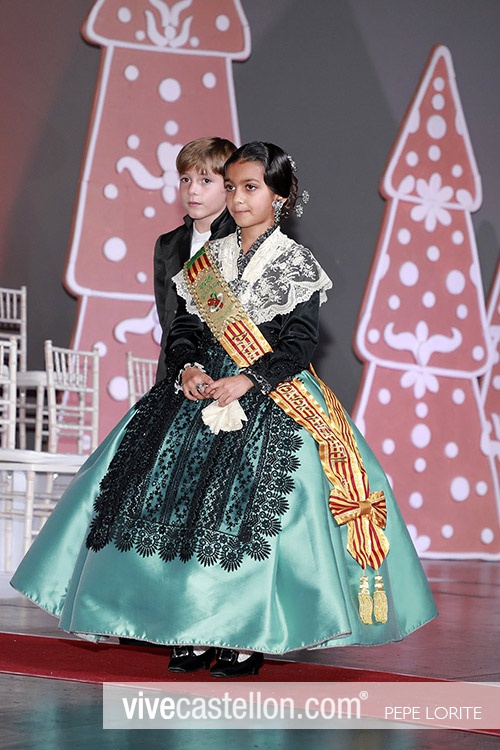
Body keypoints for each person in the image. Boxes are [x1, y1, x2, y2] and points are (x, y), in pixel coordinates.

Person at [11, 141, 437, 679]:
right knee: (170, 504)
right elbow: (184, 327)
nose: (237, 198)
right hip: (200, 389)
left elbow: (299, 343)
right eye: (231, 187)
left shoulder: (297, 264)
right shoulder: (208, 260)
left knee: (244, 512)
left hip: (265, 395)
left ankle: (242, 637)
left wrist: (250, 379)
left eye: (250, 187)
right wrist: (188, 367)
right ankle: (184, 626)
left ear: (279, 196)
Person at [154, 136, 236, 381]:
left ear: (229, 186)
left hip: (227, 376)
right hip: (177, 372)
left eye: (206, 180)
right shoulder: (168, 244)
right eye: (185, 179)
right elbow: (167, 314)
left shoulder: (241, 240)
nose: (192, 190)